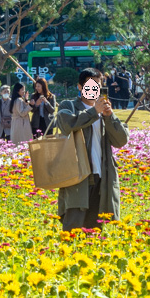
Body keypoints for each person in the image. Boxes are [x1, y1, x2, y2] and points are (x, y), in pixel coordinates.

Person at [53, 69, 129, 231]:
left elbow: (121, 140)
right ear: (80, 87)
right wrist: (94, 112)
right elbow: (67, 124)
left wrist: (110, 116)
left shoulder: (104, 111)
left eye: (97, 85)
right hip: (77, 176)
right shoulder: (69, 106)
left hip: (102, 177)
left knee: (96, 229)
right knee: (73, 226)